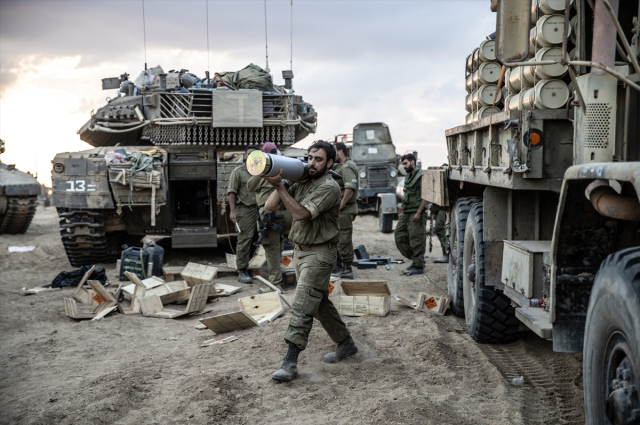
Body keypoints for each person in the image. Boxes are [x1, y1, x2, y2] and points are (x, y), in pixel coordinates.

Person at [261, 140, 356, 382]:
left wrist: (281, 187)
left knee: (302, 304)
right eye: (310, 158)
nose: (312, 163)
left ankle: (290, 363)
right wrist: (285, 183)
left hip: (320, 254)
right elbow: (270, 205)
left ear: (330, 163)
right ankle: (345, 343)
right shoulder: (303, 182)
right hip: (301, 253)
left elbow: (300, 214)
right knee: (318, 302)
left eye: (318, 159)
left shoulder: (329, 187)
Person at [247, 142, 292, 287]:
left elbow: (250, 186)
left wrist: (258, 169)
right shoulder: (284, 166)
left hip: (270, 215)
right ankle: (283, 275)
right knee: (279, 245)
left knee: (271, 249)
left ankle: (275, 284)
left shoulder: (264, 170)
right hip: (285, 214)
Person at [227, 145, 259, 284]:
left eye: (255, 154)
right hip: (244, 209)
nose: (251, 156)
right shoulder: (238, 172)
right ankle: (242, 270)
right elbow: (232, 192)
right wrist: (233, 211)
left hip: (260, 208)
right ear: (245, 156)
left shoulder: (260, 171)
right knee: (245, 239)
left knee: (266, 237)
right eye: (249, 154)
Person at [394, 153, 428, 275]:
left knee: (416, 238)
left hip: (416, 211)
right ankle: (416, 259)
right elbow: (406, 196)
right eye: (403, 164)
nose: (404, 166)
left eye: (405, 163)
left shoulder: (421, 175)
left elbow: (425, 196)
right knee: (399, 235)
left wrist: (418, 212)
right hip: (407, 211)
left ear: (413, 162)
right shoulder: (408, 176)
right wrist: (403, 212)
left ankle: (418, 265)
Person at [330, 141, 359, 279]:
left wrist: (341, 205)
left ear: (340, 151)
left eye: (334, 151)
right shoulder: (340, 166)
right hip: (341, 209)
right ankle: (339, 266)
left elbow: (350, 188)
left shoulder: (347, 167)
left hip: (345, 209)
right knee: (337, 238)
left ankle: (347, 269)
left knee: (343, 239)